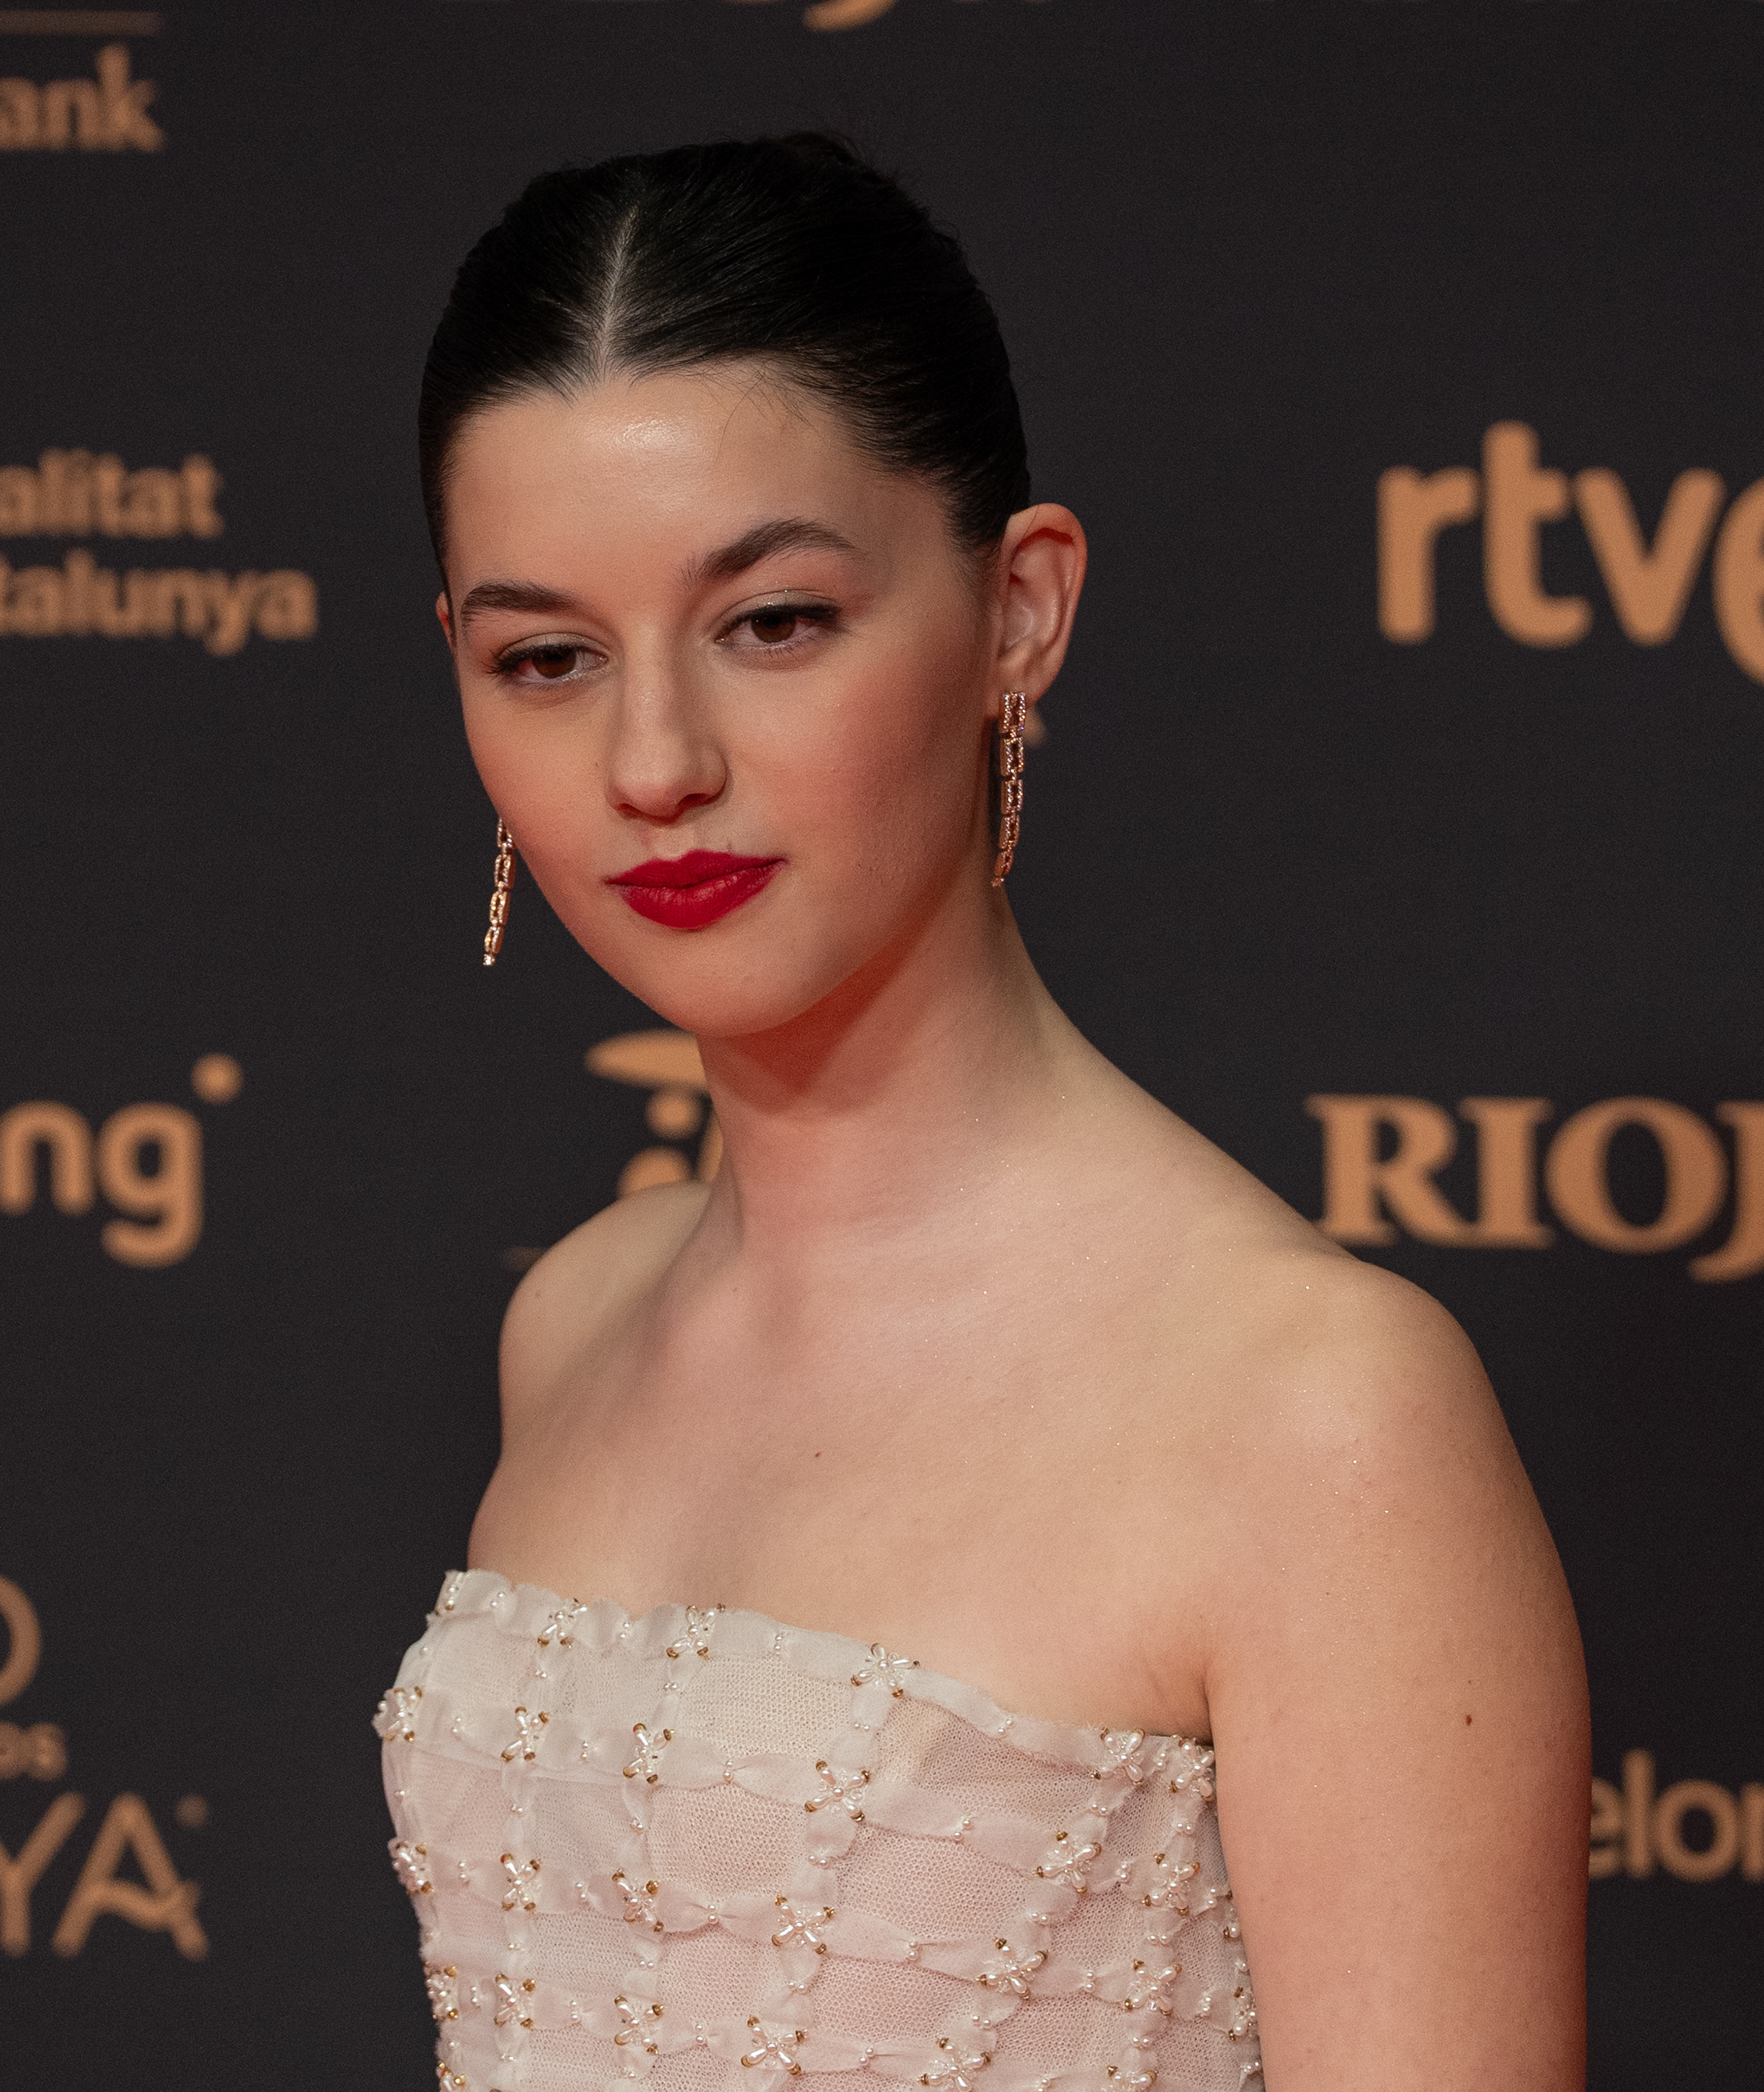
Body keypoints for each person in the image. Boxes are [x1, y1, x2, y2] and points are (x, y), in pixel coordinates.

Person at [377, 134, 1587, 2092]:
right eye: (548, 658)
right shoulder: (574, 1320)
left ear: (1020, 608)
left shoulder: (1315, 1415)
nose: (654, 760)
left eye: (774, 621)